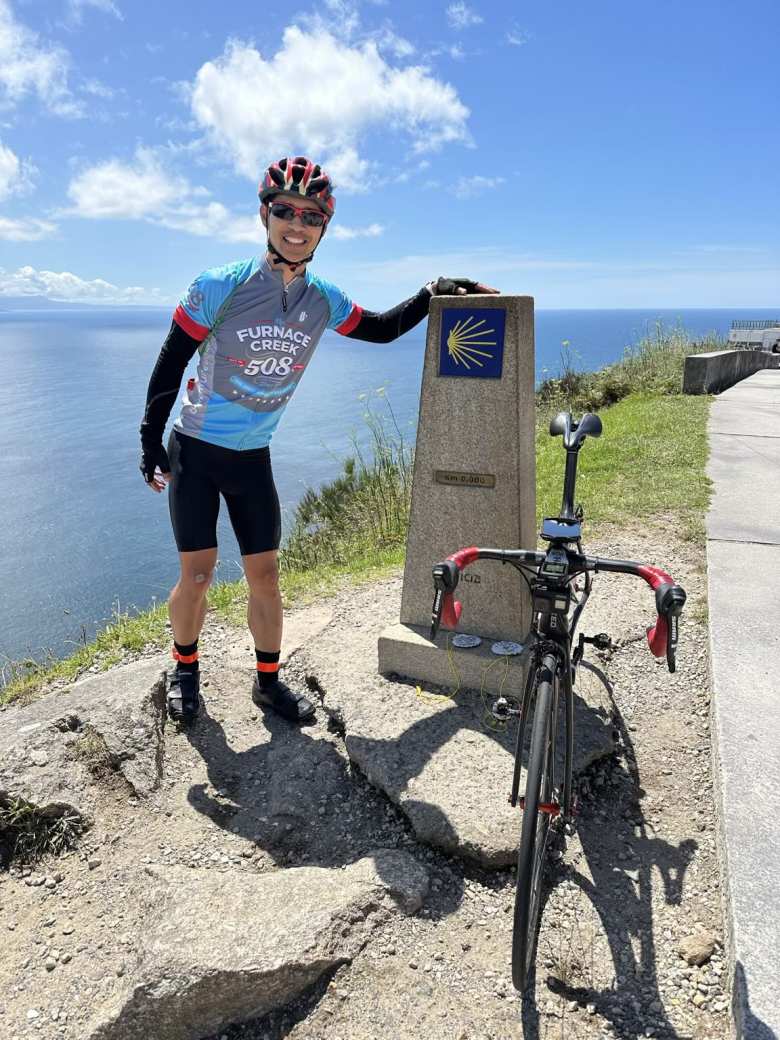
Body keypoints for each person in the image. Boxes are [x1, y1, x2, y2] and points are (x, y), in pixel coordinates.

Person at [139, 155, 498, 725]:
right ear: (265, 215)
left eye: (311, 215)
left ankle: (268, 683)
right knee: (200, 572)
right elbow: (170, 362)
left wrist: (432, 292)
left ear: (324, 227)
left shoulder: (321, 299)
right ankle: (185, 669)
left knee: (266, 575)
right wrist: (149, 439)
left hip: (252, 457)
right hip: (197, 450)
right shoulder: (218, 286)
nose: (297, 224)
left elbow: (378, 329)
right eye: (285, 210)